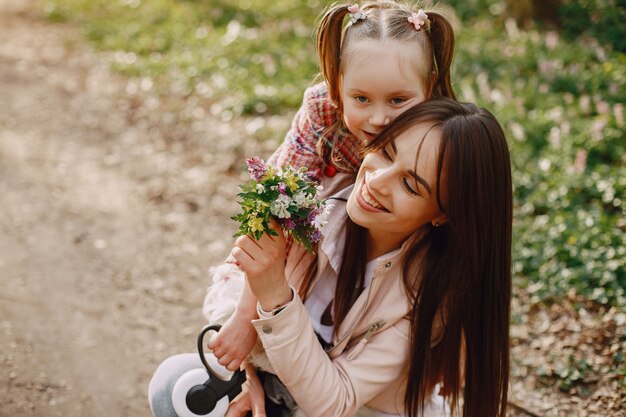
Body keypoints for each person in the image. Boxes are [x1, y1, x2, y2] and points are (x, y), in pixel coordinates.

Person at [149, 98, 513, 417]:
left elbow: (335, 403)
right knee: (175, 387)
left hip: (357, 411)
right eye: (386, 152)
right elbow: (230, 286)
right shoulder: (313, 203)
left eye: (410, 184)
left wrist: (276, 297)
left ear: (442, 214)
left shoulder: (430, 294)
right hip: (275, 386)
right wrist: (246, 373)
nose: (378, 180)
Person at [208, 0, 457, 375]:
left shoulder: (443, 132)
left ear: (430, 88)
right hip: (321, 233)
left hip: (396, 251)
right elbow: (279, 204)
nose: (378, 118)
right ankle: (268, 358)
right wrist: (245, 318)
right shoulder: (323, 111)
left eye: (398, 100)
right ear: (338, 86)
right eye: (361, 99)